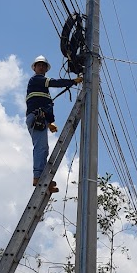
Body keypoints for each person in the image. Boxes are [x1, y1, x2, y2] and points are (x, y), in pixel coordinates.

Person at [26, 55, 83, 193]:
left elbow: (46, 105)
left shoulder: (43, 90)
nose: (41, 67)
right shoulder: (36, 79)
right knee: (41, 147)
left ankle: (45, 181)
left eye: (43, 65)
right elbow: (55, 82)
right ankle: (38, 176)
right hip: (36, 117)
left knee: (44, 148)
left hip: (41, 118)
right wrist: (73, 81)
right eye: (39, 65)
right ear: (34, 67)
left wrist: (50, 122)